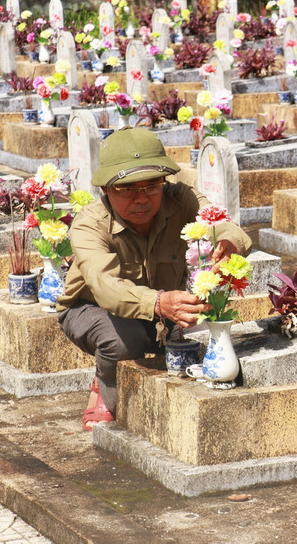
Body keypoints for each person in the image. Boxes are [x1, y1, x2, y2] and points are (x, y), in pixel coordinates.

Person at [57, 127, 252, 430]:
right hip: (90, 309)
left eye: (151, 186)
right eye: (128, 190)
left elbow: (219, 223)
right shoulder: (89, 225)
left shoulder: (180, 198)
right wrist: (160, 302)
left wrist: (229, 245)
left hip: (160, 306)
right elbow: (106, 289)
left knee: (209, 327)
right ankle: (104, 387)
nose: (142, 199)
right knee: (125, 341)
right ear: (106, 189)